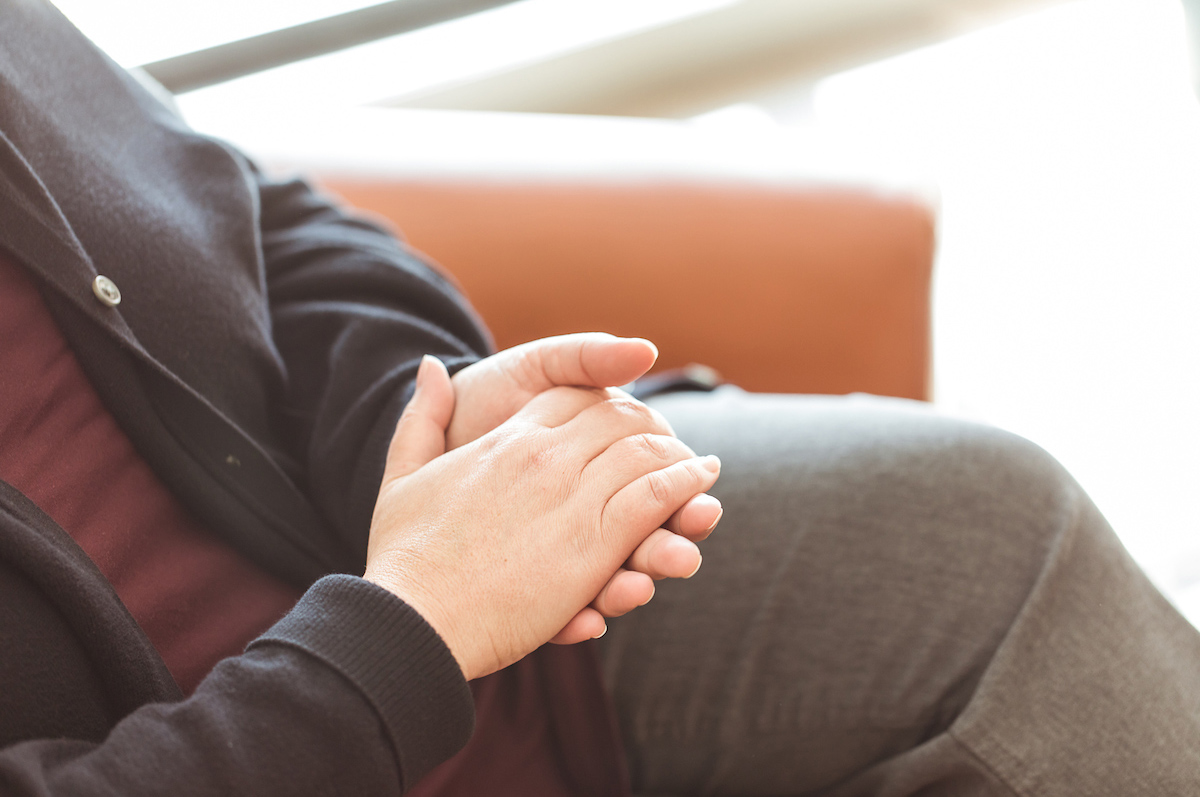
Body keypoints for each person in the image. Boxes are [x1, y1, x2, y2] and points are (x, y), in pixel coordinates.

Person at [2, 2, 1200, 795]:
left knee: (995, 534)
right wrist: (404, 629)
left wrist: (415, 417)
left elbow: (252, 206)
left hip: (433, 600)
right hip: (318, 709)